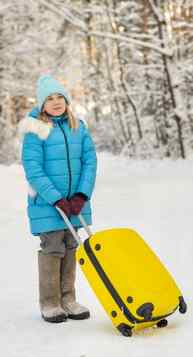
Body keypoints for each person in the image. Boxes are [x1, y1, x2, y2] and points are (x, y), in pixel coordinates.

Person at [20, 74, 97, 323]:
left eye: (59, 97)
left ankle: (68, 299)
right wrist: (55, 198)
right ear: (42, 104)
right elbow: (33, 167)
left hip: (75, 202)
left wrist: (81, 194)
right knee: (53, 248)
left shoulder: (78, 127)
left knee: (72, 248)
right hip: (48, 204)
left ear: (66, 101)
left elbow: (89, 161)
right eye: (49, 98)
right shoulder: (36, 129)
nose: (55, 102)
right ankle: (50, 302)